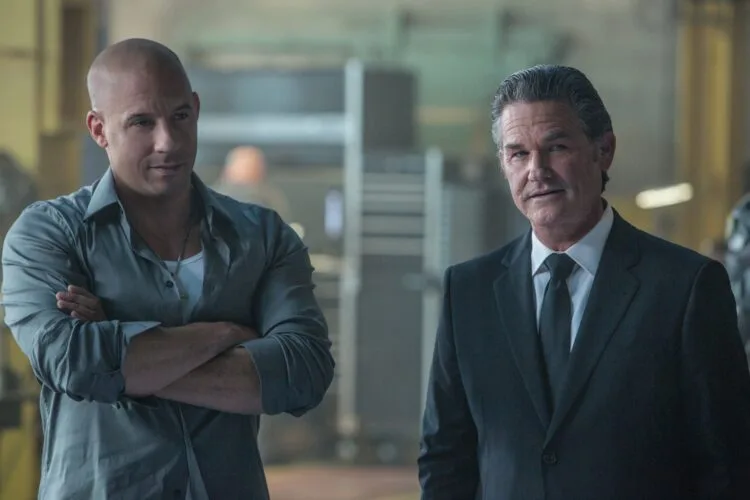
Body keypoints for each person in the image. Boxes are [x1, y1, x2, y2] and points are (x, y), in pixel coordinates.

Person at [1, 38, 334, 500]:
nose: (168, 141)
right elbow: (71, 362)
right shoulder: (51, 233)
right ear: (99, 129)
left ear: (196, 109)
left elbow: (303, 373)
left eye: (179, 116)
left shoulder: (262, 236)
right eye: (142, 122)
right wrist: (227, 334)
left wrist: (121, 351)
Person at [418, 64, 750, 499]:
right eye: (518, 154)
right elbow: (445, 458)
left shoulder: (685, 288)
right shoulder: (468, 292)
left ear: (603, 150)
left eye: (556, 147)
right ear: (503, 165)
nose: (536, 170)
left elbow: (727, 466)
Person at [211, 145, 293, 222]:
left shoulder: (273, 199)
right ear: (228, 170)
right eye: (243, 167)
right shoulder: (211, 198)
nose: (247, 171)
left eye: (254, 167)